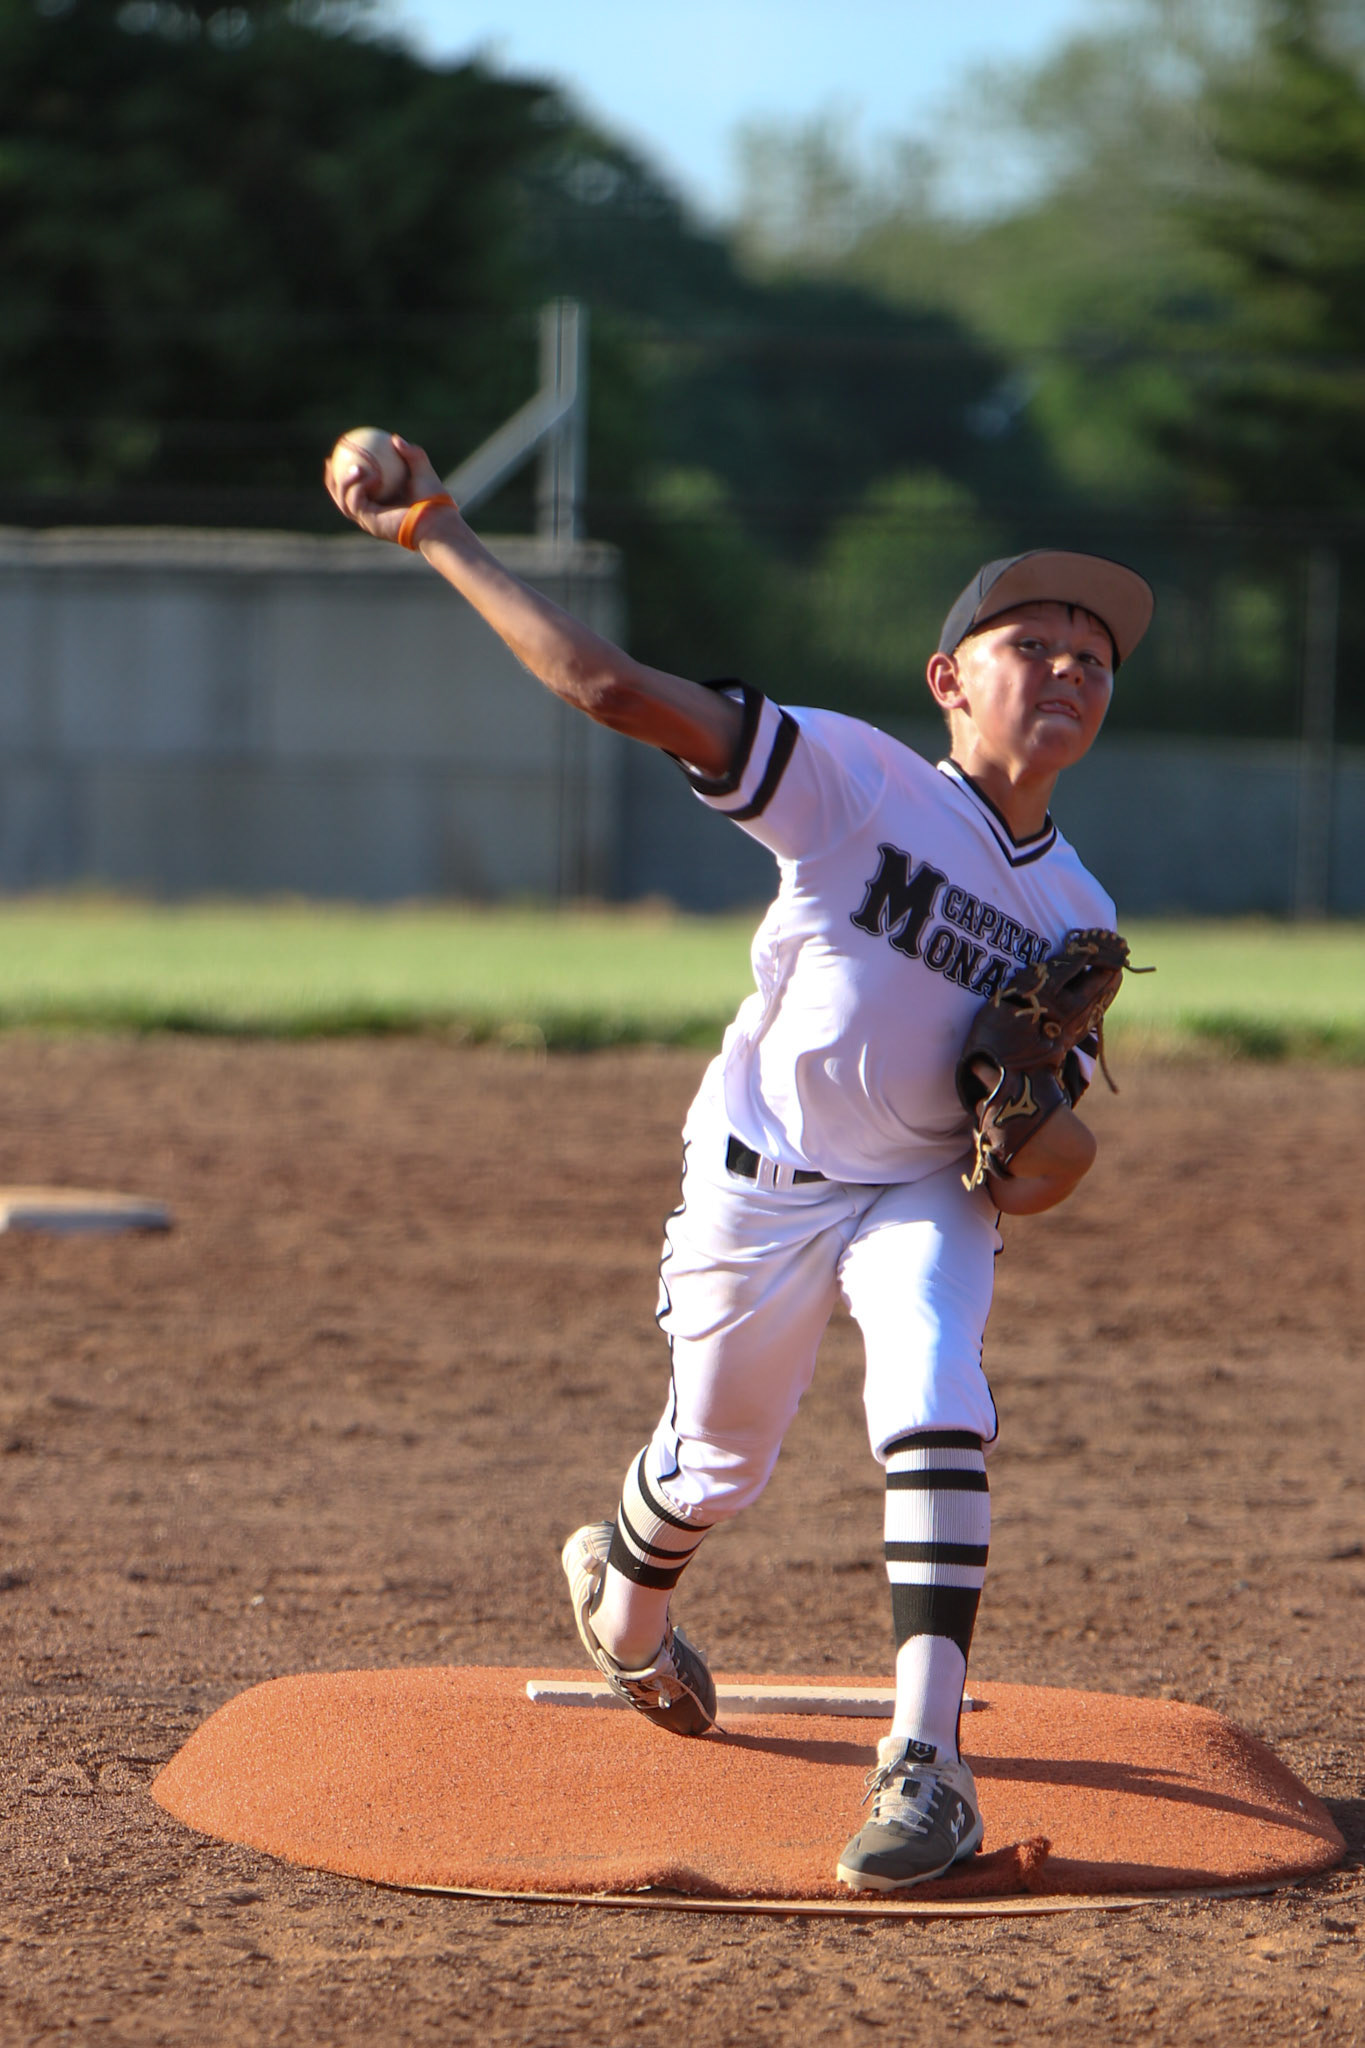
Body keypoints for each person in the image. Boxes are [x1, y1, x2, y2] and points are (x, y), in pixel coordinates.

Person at [327, 438, 1154, 1892]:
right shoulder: (852, 780)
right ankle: (625, 1595)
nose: (1071, 669)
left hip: (915, 1192)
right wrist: (439, 532)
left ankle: (925, 1762)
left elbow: (1046, 1172)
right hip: (759, 1182)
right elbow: (611, 689)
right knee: (715, 1463)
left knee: (934, 1386)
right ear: (946, 679)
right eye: (1032, 643)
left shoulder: (1080, 913)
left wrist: (1026, 1122)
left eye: (1095, 656)